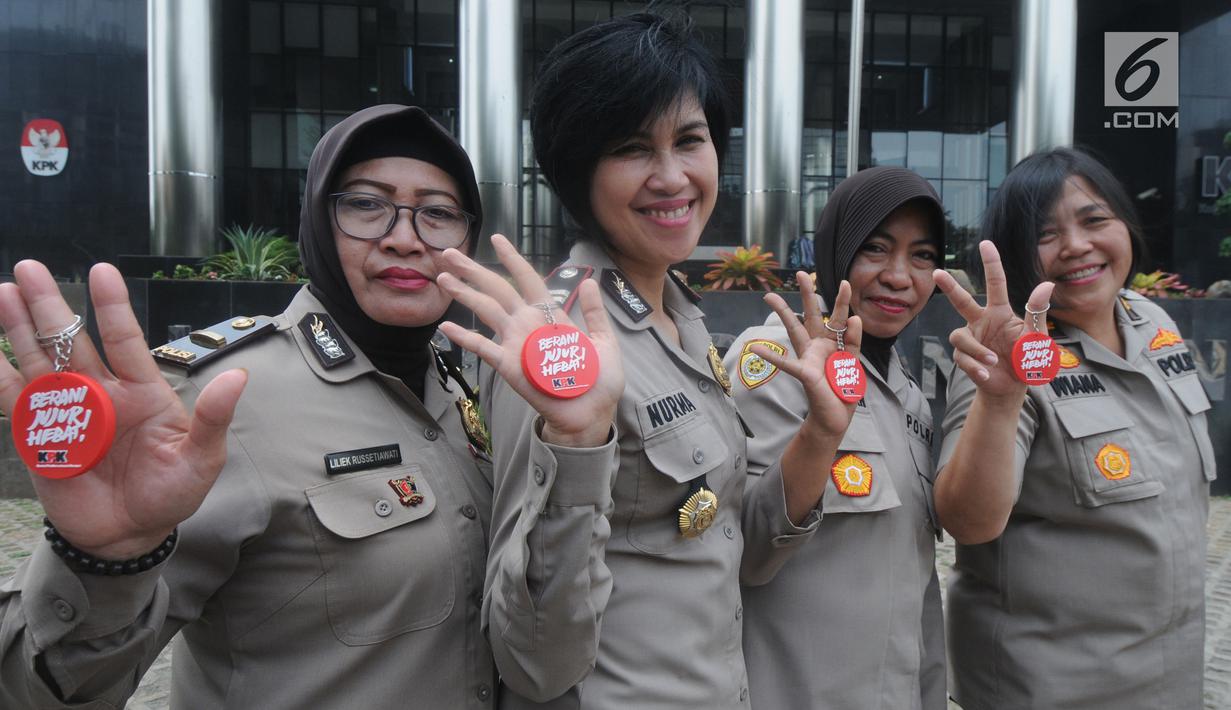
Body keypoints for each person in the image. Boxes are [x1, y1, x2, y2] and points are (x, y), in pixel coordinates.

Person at [0, 104, 499, 708]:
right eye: (366, 204)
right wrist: (103, 561)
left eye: (439, 214)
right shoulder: (215, 400)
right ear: (317, 218)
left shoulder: (461, 377)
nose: (404, 237)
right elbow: (40, 689)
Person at [433, 13, 860, 709]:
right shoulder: (559, 345)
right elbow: (531, 659)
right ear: (577, 172)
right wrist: (577, 442)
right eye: (633, 148)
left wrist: (819, 434)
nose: (671, 177)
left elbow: (732, 549)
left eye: (689, 141)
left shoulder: (684, 319)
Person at [932, 146, 1215, 709]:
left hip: (1171, 679)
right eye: (1045, 234)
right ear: (1016, 254)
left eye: (1094, 220)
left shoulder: (1151, 320)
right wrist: (1002, 397)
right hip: (1049, 687)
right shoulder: (1007, 358)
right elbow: (967, 521)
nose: (1078, 246)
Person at [728, 166, 949, 710]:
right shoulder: (775, 358)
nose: (900, 277)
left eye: (922, 256)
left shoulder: (908, 394)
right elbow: (744, 550)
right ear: (836, 251)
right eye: (875, 248)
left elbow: (915, 582)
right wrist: (822, 433)